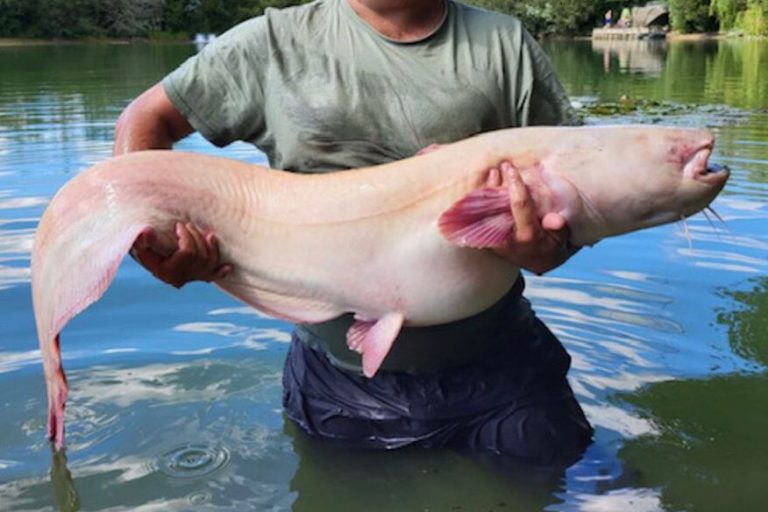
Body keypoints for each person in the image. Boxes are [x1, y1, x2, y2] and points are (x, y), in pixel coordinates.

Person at [113, 0, 593, 468]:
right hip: (337, 384)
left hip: (507, 375)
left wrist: (548, 248)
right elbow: (146, 118)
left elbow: (575, 196)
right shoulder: (273, 43)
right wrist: (155, 241)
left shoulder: (504, 43)